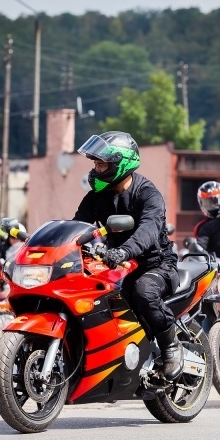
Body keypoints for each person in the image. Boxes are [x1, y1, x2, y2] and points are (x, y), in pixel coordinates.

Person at [73, 131, 182, 379]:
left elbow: (149, 229)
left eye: (102, 164)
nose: (96, 170)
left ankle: (171, 348)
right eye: (95, 164)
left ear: (121, 163)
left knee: (143, 291)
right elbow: (78, 226)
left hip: (157, 266)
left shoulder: (147, 194)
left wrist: (124, 250)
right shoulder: (96, 197)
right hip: (118, 265)